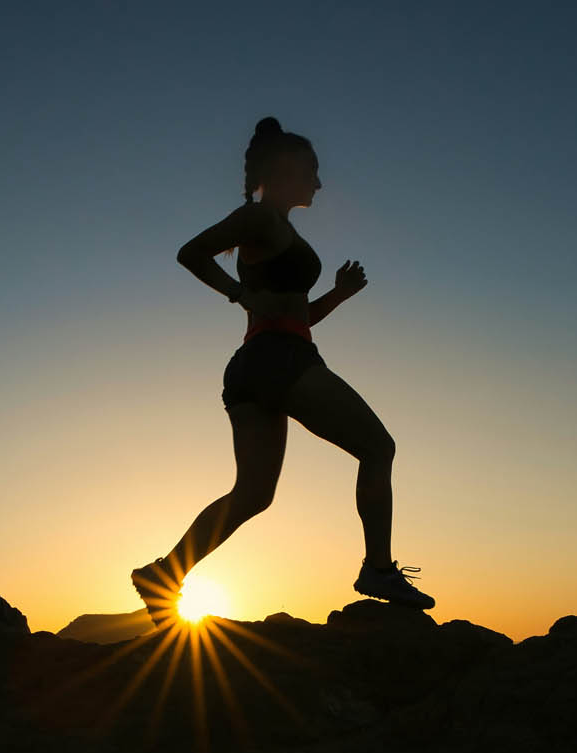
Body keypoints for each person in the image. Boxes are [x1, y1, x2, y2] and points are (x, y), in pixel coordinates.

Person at [131, 116, 434, 628]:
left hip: (257, 364)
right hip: (279, 360)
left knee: (253, 494)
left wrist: (337, 294)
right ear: (286, 170)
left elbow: (298, 315)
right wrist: (237, 292)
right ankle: (378, 570)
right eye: (312, 171)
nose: (318, 183)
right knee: (378, 447)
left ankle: (164, 574)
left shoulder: (278, 227)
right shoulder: (262, 219)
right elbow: (191, 253)